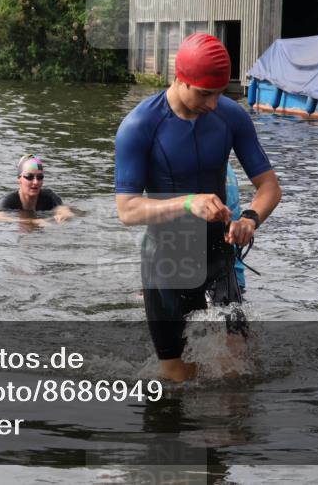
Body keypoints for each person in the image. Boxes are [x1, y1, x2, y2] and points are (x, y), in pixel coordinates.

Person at [114, 32, 281, 382]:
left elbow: (269, 187)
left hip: (218, 252)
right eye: (205, 93)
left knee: (238, 373)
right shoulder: (140, 126)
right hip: (166, 260)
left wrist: (250, 218)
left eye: (221, 93)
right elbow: (127, 210)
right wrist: (188, 203)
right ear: (180, 78)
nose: (213, 104)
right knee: (180, 380)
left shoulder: (231, 117)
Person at [0, 155, 74, 224]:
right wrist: (32, 221)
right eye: (29, 177)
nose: (36, 182)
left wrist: (64, 215)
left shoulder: (49, 197)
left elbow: (65, 210)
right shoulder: (9, 201)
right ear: (19, 179)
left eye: (40, 177)